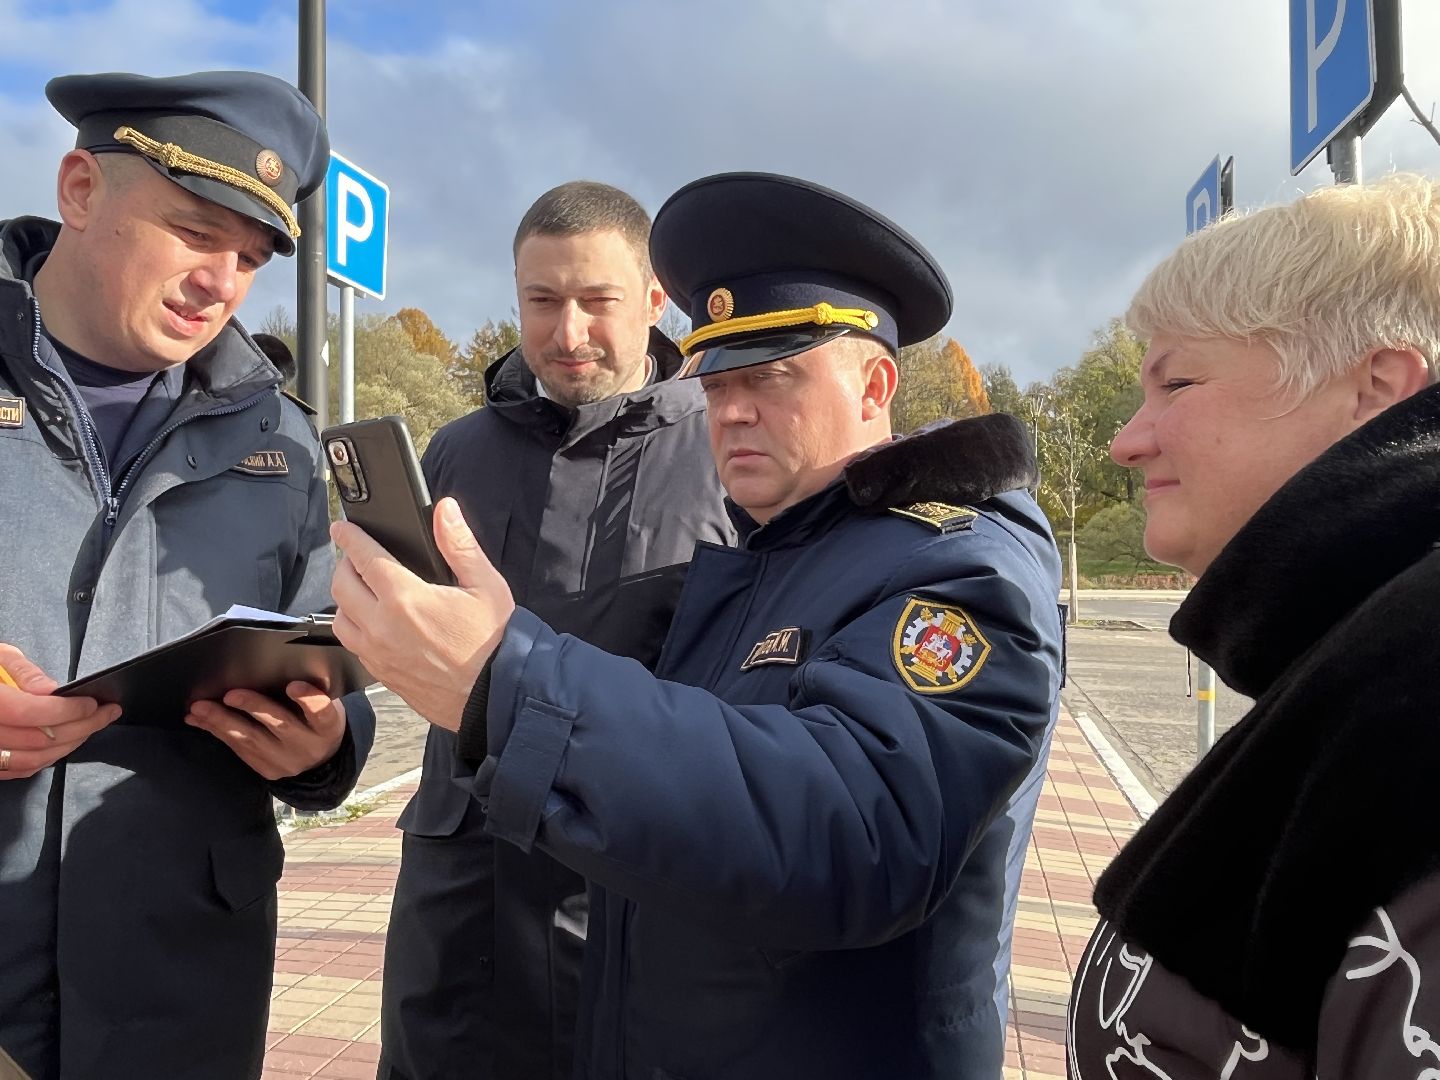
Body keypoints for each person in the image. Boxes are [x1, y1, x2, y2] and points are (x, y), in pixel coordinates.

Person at [334, 172, 1065, 1079]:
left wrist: (506, 684)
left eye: (772, 377)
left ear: (876, 382)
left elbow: (853, 829)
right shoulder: (773, 554)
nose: (732, 412)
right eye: (717, 383)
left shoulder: (956, 566)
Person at [0, 71, 375, 1079]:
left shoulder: (283, 442)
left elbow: (324, 642)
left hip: (181, 995)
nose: (224, 281)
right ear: (80, 190)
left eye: (250, 257)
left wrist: (323, 744)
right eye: (196, 232)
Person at [1065, 175, 1440, 1077]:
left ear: (1378, 389)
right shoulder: (1349, 653)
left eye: (1177, 382)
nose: (1127, 439)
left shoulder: (1416, 686)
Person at [378, 181, 734, 1080]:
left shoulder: (730, 450)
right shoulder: (455, 453)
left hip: (635, 899)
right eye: (542, 301)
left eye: (596, 301)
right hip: (458, 903)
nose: (568, 332)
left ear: (657, 302)